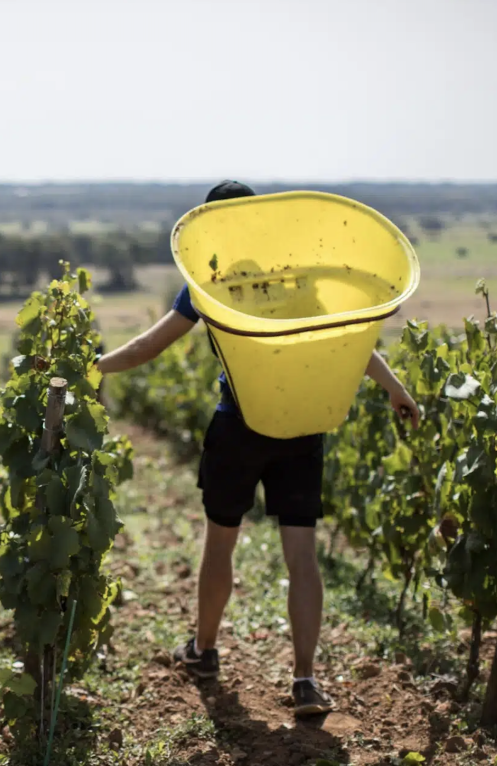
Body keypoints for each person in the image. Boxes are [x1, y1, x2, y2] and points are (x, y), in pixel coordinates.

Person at [96, 180, 419, 717]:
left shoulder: (207, 284)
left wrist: (93, 365)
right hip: (303, 429)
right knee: (302, 556)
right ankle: (306, 680)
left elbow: (148, 346)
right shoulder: (294, 278)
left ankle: (203, 650)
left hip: (239, 428)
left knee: (220, 544)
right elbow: (342, 337)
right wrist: (394, 387)